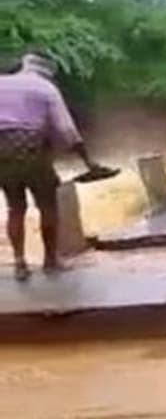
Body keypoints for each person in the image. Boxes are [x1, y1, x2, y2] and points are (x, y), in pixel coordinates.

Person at [0, 55, 102, 280]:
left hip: (1, 154)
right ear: (48, 72)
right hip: (30, 151)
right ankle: (50, 261)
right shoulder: (46, 88)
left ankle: (19, 263)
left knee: (15, 208)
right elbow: (66, 130)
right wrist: (88, 162)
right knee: (48, 206)